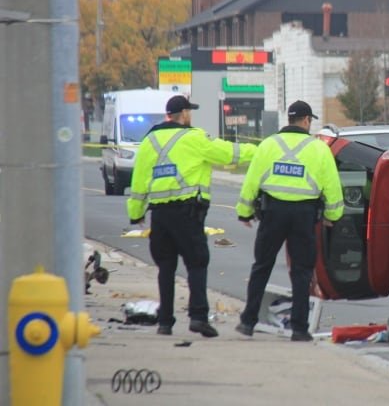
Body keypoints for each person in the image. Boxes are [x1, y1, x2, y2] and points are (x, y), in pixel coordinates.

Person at [127, 95, 257, 337]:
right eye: (190, 112)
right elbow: (229, 153)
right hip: (187, 214)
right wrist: (261, 150)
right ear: (184, 114)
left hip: (160, 216)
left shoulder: (150, 141)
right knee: (197, 263)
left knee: (165, 267)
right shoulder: (194, 137)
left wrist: (136, 215)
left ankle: (165, 322)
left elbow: (139, 182)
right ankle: (198, 316)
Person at [234, 100, 344, 341]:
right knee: (302, 272)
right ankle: (299, 329)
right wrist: (332, 217)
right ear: (306, 120)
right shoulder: (319, 149)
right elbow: (333, 189)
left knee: (261, 266)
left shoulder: (268, 145)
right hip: (304, 216)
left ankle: (248, 321)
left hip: (272, 213)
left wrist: (244, 212)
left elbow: (251, 182)